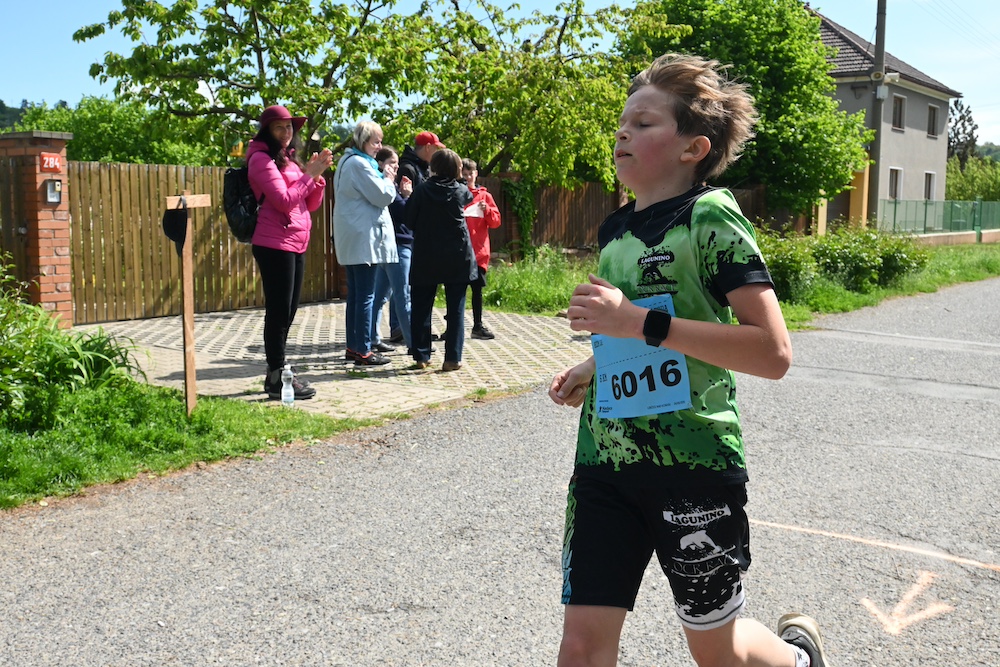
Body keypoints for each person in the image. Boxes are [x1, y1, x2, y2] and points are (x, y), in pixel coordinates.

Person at [548, 53, 828, 667]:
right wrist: (592, 367)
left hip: (693, 464)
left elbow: (773, 352)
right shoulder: (615, 231)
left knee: (717, 653)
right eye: (622, 123)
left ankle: (798, 659)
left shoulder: (710, 218)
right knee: (581, 646)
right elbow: (637, 331)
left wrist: (634, 321)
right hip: (605, 461)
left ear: (692, 148)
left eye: (644, 123)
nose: (623, 133)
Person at [247, 105, 332, 400]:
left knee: (289, 310)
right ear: (267, 131)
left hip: (295, 241)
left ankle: (279, 370)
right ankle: (276, 375)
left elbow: (310, 204)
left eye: (289, 127)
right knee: (279, 312)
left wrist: (316, 179)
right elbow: (283, 201)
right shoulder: (261, 159)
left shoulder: (289, 160)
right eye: (279, 127)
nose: (286, 132)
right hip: (273, 243)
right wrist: (309, 176)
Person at [332, 121, 399, 366]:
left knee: (356, 296)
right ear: (363, 142)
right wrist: (388, 179)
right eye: (375, 142)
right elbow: (382, 196)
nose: (379, 147)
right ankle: (363, 350)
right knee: (365, 296)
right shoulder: (360, 164)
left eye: (380, 142)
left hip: (354, 238)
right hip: (363, 240)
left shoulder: (347, 161)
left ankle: (354, 347)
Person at [406, 149, 476, 372]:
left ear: (433, 167)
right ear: (456, 169)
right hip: (457, 255)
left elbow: (408, 220)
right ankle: (452, 358)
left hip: (426, 254)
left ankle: (421, 355)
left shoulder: (421, 190)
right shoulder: (461, 190)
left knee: (421, 307)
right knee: (456, 309)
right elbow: (469, 197)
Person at [390, 130, 445, 344]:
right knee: (401, 285)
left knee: (401, 284)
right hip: (404, 234)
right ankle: (399, 327)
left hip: (413, 234)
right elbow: (404, 203)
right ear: (428, 147)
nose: (436, 153)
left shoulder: (420, 167)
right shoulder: (409, 168)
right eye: (436, 148)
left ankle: (406, 325)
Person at [370, 146, 414, 353]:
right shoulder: (385, 185)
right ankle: (415, 343)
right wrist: (408, 196)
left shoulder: (388, 185)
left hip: (389, 245)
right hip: (397, 246)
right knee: (403, 295)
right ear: (380, 164)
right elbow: (404, 212)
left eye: (397, 163)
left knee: (379, 296)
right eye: (391, 163)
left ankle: (372, 338)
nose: (396, 167)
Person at [460, 158, 502, 340]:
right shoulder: (458, 194)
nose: (468, 177)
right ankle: (453, 327)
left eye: (471, 173)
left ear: (476, 174)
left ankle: (477, 326)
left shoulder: (485, 196)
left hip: (478, 252)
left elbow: (496, 222)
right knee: (457, 291)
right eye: (464, 174)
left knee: (477, 290)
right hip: (460, 251)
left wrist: (487, 210)